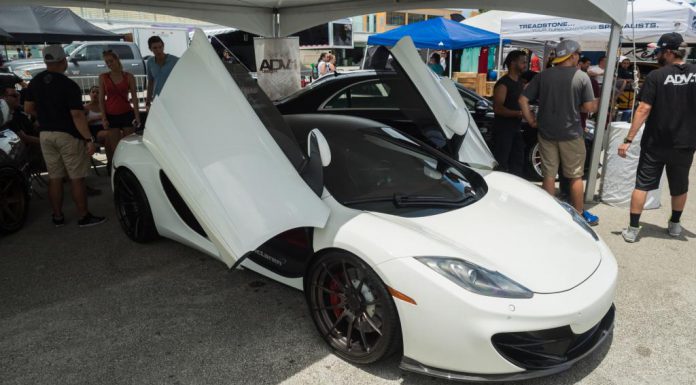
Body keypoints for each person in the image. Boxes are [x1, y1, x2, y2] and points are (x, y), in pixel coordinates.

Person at [619, 33, 696, 243]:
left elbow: (643, 109)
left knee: (642, 185)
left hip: (655, 143)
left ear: (669, 52)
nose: (657, 55)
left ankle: (633, 229)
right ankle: (675, 225)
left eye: (660, 51)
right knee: (680, 186)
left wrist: (628, 140)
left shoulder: (656, 76)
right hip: (685, 143)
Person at [23, 44, 106, 227]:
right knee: (76, 177)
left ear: (46, 61)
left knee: (55, 177)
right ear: (64, 61)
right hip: (67, 135)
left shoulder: (35, 81)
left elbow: (28, 108)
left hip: (45, 134)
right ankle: (83, 216)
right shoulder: (69, 85)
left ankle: (57, 216)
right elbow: (77, 115)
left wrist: (46, 115)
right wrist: (88, 139)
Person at [519, 39, 599, 225]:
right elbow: (588, 107)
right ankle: (579, 214)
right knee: (575, 175)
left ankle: (549, 213)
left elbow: (523, 99)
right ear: (572, 55)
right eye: (578, 53)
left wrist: (531, 119)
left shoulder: (543, 76)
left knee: (548, 175)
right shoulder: (582, 77)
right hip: (571, 134)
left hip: (546, 132)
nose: (579, 56)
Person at [99, 50, 141, 168]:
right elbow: (101, 99)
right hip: (111, 114)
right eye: (106, 62)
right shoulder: (103, 77)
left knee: (129, 144)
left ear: (117, 60)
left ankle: (131, 166)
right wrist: (104, 118)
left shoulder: (128, 76)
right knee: (115, 146)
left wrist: (137, 116)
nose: (109, 64)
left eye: (111, 61)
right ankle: (116, 167)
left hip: (127, 113)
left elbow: (134, 97)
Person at [492, 50, 527, 177]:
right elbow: (498, 108)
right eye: (523, 62)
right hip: (503, 131)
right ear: (513, 63)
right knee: (501, 164)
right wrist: (518, 113)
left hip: (516, 129)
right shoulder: (503, 84)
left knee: (517, 163)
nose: (525, 65)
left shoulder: (520, 82)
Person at [145, 36, 179, 111]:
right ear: (150, 49)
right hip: (157, 99)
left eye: (160, 47)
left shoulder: (175, 60)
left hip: (173, 99)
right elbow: (150, 82)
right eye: (155, 48)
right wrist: (147, 102)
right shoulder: (150, 62)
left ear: (163, 46)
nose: (158, 50)